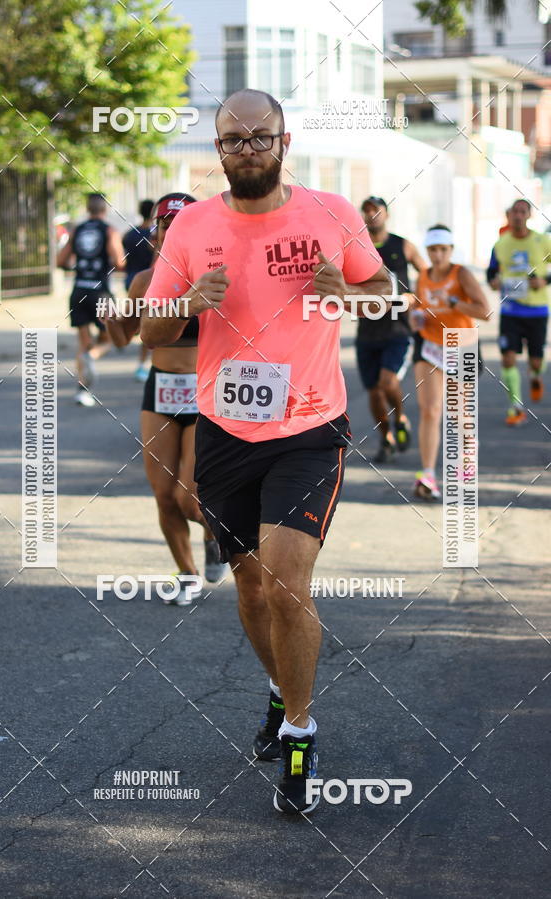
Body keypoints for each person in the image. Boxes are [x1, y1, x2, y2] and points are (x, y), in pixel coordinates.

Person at [140, 89, 391, 814]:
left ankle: (300, 728)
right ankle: (280, 686)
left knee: (285, 582)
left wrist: (348, 290)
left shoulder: (332, 213)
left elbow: (385, 290)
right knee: (249, 586)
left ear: (285, 139)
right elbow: (149, 331)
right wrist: (187, 304)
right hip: (227, 429)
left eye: (259, 137)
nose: (246, 149)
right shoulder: (191, 227)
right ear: (217, 149)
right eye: (232, 140)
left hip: (310, 428)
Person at [103, 193, 227, 604]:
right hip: (160, 389)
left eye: (181, 222)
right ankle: (187, 574)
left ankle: (214, 532)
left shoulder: (212, 278)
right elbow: (124, 339)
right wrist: (112, 320)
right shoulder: (144, 281)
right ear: (155, 229)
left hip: (204, 394)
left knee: (187, 496)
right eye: (165, 223)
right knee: (161, 495)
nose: (171, 230)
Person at [412, 225, 489, 499]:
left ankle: (467, 455)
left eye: (443, 249)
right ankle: (428, 474)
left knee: (458, 413)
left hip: (461, 342)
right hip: (430, 344)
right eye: (433, 250)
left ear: (451, 250)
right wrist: (416, 316)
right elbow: (419, 307)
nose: (437, 255)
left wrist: (455, 302)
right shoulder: (422, 275)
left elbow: (485, 312)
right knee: (430, 410)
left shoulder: (461, 274)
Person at [358, 196, 427, 462]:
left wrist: (415, 298)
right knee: (374, 392)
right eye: (366, 211)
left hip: (398, 329)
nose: (371, 215)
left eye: (376, 211)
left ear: (387, 214)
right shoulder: (357, 246)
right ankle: (385, 437)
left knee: (388, 382)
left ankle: (400, 418)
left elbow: (427, 273)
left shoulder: (403, 245)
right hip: (367, 331)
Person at [486, 198, 551, 426]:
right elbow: (491, 271)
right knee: (508, 358)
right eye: (514, 211)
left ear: (529, 215)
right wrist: (493, 281)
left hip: (537, 311)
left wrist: (545, 280)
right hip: (511, 311)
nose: (518, 216)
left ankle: (535, 375)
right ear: (509, 215)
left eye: (522, 212)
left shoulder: (542, 241)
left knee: (535, 361)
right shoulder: (501, 244)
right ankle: (516, 407)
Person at [57, 193, 125, 406]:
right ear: (104, 209)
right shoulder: (109, 230)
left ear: (88, 209)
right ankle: (93, 356)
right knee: (110, 338)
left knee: (83, 342)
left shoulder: (77, 230)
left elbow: (60, 260)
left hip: (78, 290)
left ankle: (82, 390)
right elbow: (119, 262)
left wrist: (78, 266)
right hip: (101, 292)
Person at [122, 199, 156, 382]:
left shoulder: (129, 234)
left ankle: (142, 363)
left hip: (131, 280)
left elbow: (122, 259)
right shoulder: (155, 234)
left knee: (137, 320)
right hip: (148, 282)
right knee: (147, 323)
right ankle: (143, 365)